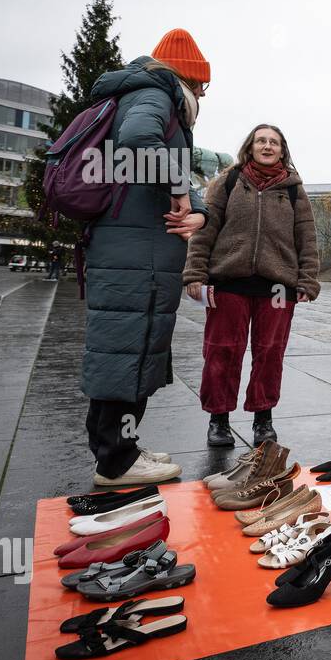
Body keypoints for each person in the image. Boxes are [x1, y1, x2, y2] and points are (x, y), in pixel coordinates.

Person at [82, 29, 211, 486]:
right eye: (202, 86)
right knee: (131, 348)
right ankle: (117, 460)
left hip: (132, 245)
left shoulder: (139, 92)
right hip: (138, 251)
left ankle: (118, 448)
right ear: (189, 79)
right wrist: (181, 188)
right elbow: (138, 142)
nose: (201, 96)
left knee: (125, 345)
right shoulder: (155, 94)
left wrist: (195, 206)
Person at [184, 124, 320, 447]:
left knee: (270, 354)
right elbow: (205, 229)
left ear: (282, 150)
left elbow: (307, 237)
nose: (268, 146)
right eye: (262, 140)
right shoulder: (228, 181)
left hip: (276, 287)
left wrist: (307, 279)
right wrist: (195, 274)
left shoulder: (293, 189)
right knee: (222, 352)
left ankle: (263, 420)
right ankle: (218, 421)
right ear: (251, 146)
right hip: (229, 282)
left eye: (274, 142)